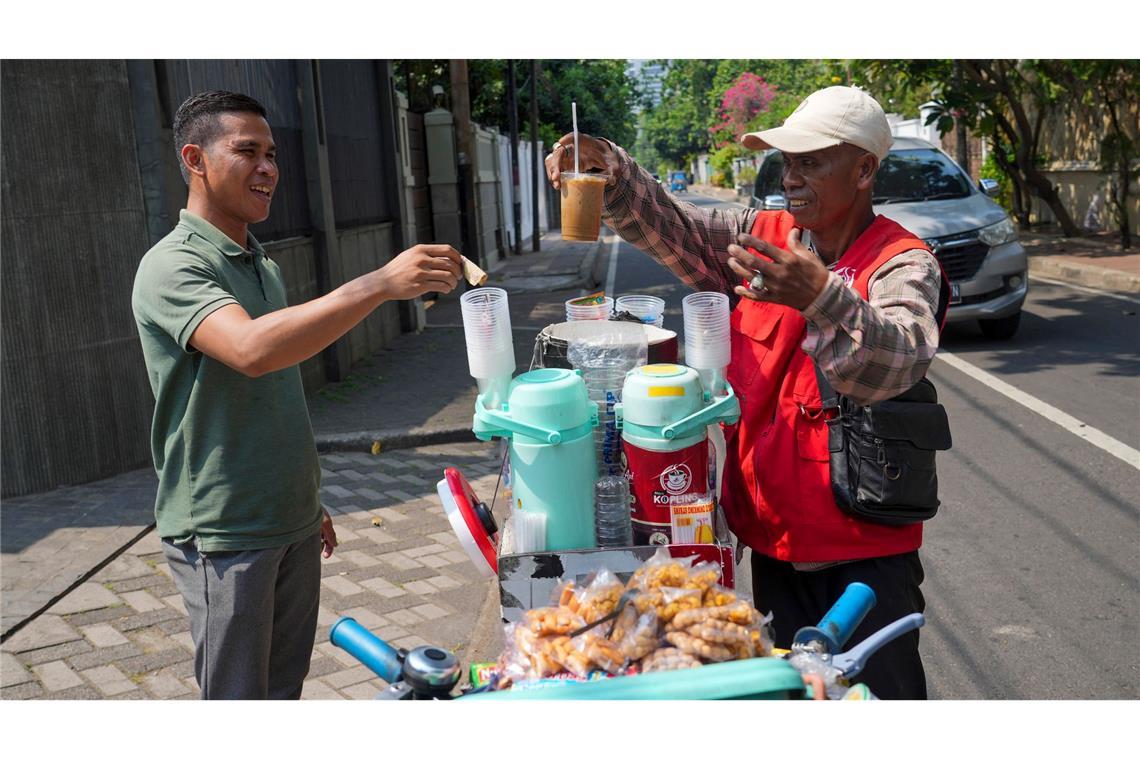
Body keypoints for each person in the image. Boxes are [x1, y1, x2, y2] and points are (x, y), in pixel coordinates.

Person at [546, 86, 949, 699]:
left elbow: (900, 358)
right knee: (788, 699)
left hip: (864, 557)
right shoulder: (763, 235)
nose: (791, 178)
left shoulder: (901, 262)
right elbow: (675, 228)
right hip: (771, 543)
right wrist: (612, 169)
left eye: (811, 161)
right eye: (787, 163)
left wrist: (822, 297)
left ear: (864, 169)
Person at [131, 91, 462, 699]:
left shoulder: (261, 262)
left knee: (284, 691)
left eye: (273, 154)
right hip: (225, 528)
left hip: (287, 515)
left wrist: (305, 500)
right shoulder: (172, 266)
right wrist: (377, 284)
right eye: (247, 152)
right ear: (195, 159)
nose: (269, 168)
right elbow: (252, 350)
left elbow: (277, 379)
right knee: (239, 699)